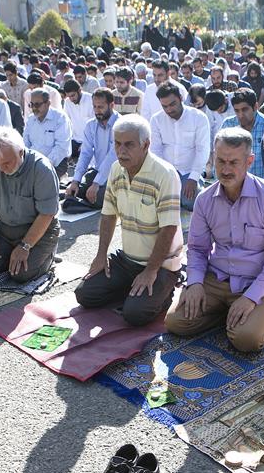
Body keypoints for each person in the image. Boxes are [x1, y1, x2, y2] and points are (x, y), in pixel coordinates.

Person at [166, 127, 264, 351]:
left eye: (233, 162)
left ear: (249, 161)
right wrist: (194, 282)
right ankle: (226, 313)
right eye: (221, 161)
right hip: (216, 278)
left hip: (256, 283)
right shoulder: (205, 199)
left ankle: (246, 315)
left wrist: (251, 298)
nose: (225, 169)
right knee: (176, 323)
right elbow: (197, 248)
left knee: (247, 341)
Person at [75, 114, 184, 326]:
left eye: (129, 145)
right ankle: (134, 288)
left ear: (146, 145)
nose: (121, 151)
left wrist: (151, 270)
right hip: (127, 260)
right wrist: (100, 256)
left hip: (161, 264)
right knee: (85, 294)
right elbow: (108, 214)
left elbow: (169, 228)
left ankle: (166, 288)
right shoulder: (116, 169)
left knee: (134, 315)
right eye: (117, 144)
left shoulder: (165, 174)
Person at [0, 126, 60, 282]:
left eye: (6, 163)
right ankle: (12, 254)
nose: (1, 169)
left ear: (21, 152)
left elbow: (47, 214)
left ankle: (48, 255)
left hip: (40, 230)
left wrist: (25, 246)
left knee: (21, 274)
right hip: (6, 229)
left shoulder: (41, 168)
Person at [149, 83, 210, 211]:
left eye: (172, 104)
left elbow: (202, 150)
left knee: (192, 202)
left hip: (189, 172)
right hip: (165, 172)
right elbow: (155, 151)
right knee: (150, 202)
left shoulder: (199, 118)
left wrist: (193, 178)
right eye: (165, 106)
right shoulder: (156, 119)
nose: (169, 110)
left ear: (181, 98)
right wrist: (164, 175)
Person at [64, 88, 118, 211]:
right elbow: (85, 154)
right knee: (74, 192)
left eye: (101, 107)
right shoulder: (91, 125)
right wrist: (76, 181)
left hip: (117, 175)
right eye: (94, 107)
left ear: (112, 105)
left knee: (99, 198)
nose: (97, 111)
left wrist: (96, 184)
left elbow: (112, 158)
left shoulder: (120, 125)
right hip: (98, 171)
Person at [220, 88, 264, 180]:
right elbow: (220, 156)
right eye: (237, 111)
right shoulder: (228, 124)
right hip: (235, 184)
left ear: (255, 107)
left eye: (244, 109)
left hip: (263, 185)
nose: (241, 115)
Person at [23, 88, 72, 179]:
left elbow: (61, 148)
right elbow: (25, 144)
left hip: (55, 164)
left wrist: (43, 165)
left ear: (48, 103)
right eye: (32, 104)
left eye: (37, 105)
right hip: (33, 163)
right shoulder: (30, 120)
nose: (34, 108)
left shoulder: (60, 119)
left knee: (39, 183)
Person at [62, 79, 94, 159]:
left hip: (91, 142)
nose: (71, 99)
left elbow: (95, 125)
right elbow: (66, 123)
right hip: (75, 140)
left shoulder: (91, 99)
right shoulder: (67, 102)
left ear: (79, 91)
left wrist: (86, 144)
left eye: (73, 95)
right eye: (69, 96)